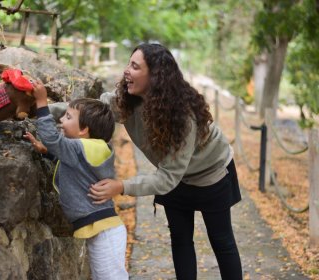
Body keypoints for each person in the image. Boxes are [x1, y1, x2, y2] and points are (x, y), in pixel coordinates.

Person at [86, 43, 243, 280]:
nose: (126, 71)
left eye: (135, 66)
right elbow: (87, 112)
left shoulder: (183, 116)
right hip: (173, 175)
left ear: (155, 76)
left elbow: (168, 178)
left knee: (221, 241)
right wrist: (44, 110)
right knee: (180, 239)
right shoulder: (128, 101)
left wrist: (121, 186)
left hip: (211, 174)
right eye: (129, 63)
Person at [26, 81, 129, 280]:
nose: (61, 120)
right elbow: (75, 166)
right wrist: (47, 153)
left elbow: (52, 139)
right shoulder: (91, 148)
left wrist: (41, 103)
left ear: (84, 130)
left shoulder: (81, 147)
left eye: (68, 116)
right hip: (103, 228)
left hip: (105, 231)